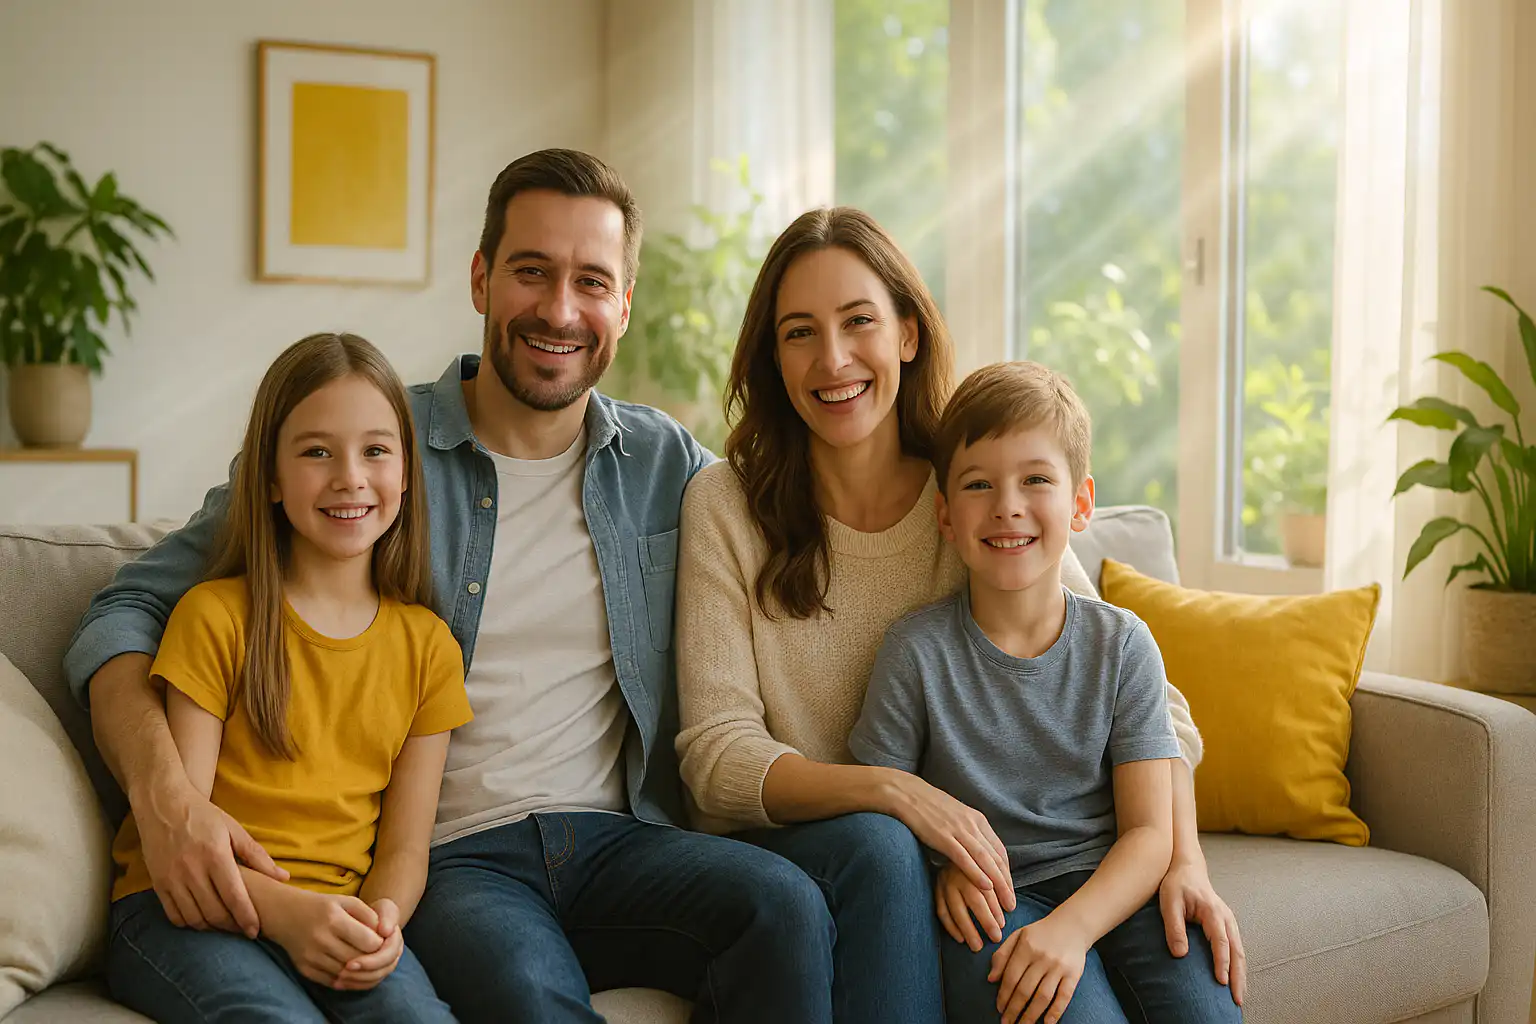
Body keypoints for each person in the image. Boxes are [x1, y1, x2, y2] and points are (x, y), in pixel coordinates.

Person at [67, 149, 835, 1024]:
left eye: (591, 281)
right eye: (530, 272)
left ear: (623, 304)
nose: (558, 309)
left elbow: (807, 535)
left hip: (620, 841)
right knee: (523, 992)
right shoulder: (368, 449)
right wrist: (168, 802)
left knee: (787, 903)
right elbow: (124, 611)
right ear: (481, 279)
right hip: (456, 860)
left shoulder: (665, 466)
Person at [675, 207, 1244, 1022]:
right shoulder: (728, 505)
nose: (832, 358)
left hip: (999, 857)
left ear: (908, 332)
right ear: (772, 356)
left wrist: (1184, 857)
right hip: (833, 849)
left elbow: (1154, 708)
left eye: (859, 321)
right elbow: (716, 756)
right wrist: (902, 798)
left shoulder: (974, 482)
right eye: (799, 332)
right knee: (884, 846)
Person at [851, 361, 1243, 1024]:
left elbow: (1150, 833)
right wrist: (938, 865)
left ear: (1081, 503)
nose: (1007, 504)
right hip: (994, 903)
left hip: (1123, 889)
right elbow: (876, 806)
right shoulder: (914, 652)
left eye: (1036, 480)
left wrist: (1073, 930)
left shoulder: (1123, 645)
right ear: (945, 514)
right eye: (979, 484)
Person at [105, 332, 470, 1022]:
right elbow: (186, 829)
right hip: (182, 906)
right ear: (270, 476)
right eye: (316, 452)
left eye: (375, 451)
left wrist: (382, 923)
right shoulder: (214, 618)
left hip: (337, 916)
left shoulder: (429, 649)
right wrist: (291, 915)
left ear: (406, 475)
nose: (349, 477)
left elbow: (404, 848)